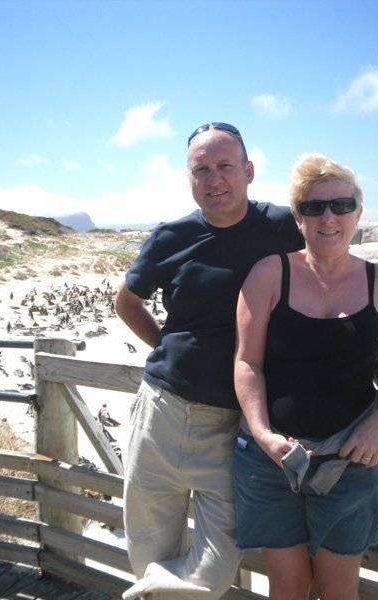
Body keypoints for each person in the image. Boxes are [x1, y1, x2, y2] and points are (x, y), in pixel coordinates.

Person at [114, 122, 305, 599]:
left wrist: (377, 366)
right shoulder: (170, 237)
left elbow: (336, 285)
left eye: (225, 166)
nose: (214, 179)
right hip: (162, 412)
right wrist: (165, 347)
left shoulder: (284, 227)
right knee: (147, 550)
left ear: (249, 171)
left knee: (215, 570)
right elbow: (127, 302)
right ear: (189, 177)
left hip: (235, 425)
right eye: (202, 169)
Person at [233, 153, 378, 599]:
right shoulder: (270, 274)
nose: (328, 217)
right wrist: (263, 435)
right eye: (314, 207)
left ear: (358, 213)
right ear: (298, 216)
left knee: (339, 589)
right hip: (272, 460)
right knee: (287, 587)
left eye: (341, 205)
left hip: (352, 459)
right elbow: (247, 363)